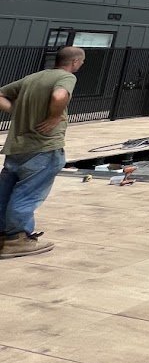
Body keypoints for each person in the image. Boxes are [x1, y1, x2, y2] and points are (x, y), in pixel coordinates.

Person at [0, 46, 85, 258]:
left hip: (17, 147)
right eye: (81, 62)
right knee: (27, 194)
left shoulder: (32, 78)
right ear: (74, 62)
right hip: (43, 147)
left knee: (5, 193)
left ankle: (3, 235)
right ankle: (16, 239)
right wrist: (55, 117)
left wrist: (15, 111)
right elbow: (59, 96)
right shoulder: (66, 77)